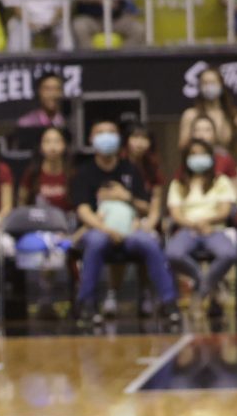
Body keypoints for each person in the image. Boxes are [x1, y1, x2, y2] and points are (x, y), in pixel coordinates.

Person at [72, 119, 177, 322]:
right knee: (96, 242)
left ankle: (168, 302)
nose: (106, 136)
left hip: (130, 230)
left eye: (111, 132)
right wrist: (106, 229)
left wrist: (126, 197)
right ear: (91, 139)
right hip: (98, 229)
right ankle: (87, 304)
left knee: (149, 242)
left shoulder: (130, 169)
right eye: (100, 132)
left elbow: (145, 206)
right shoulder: (84, 172)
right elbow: (83, 210)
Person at [164, 136, 237, 317]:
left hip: (214, 229)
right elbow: (175, 214)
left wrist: (207, 222)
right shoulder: (178, 183)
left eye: (202, 154)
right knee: (173, 254)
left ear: (210, 156)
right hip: (186, 229)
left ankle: (199, 292)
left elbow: (225, 210)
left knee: (229, 253)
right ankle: (208, 283)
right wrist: (194, 224)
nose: (198, 157)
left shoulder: (221, 181)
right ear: (186, 158)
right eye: (193, 154)